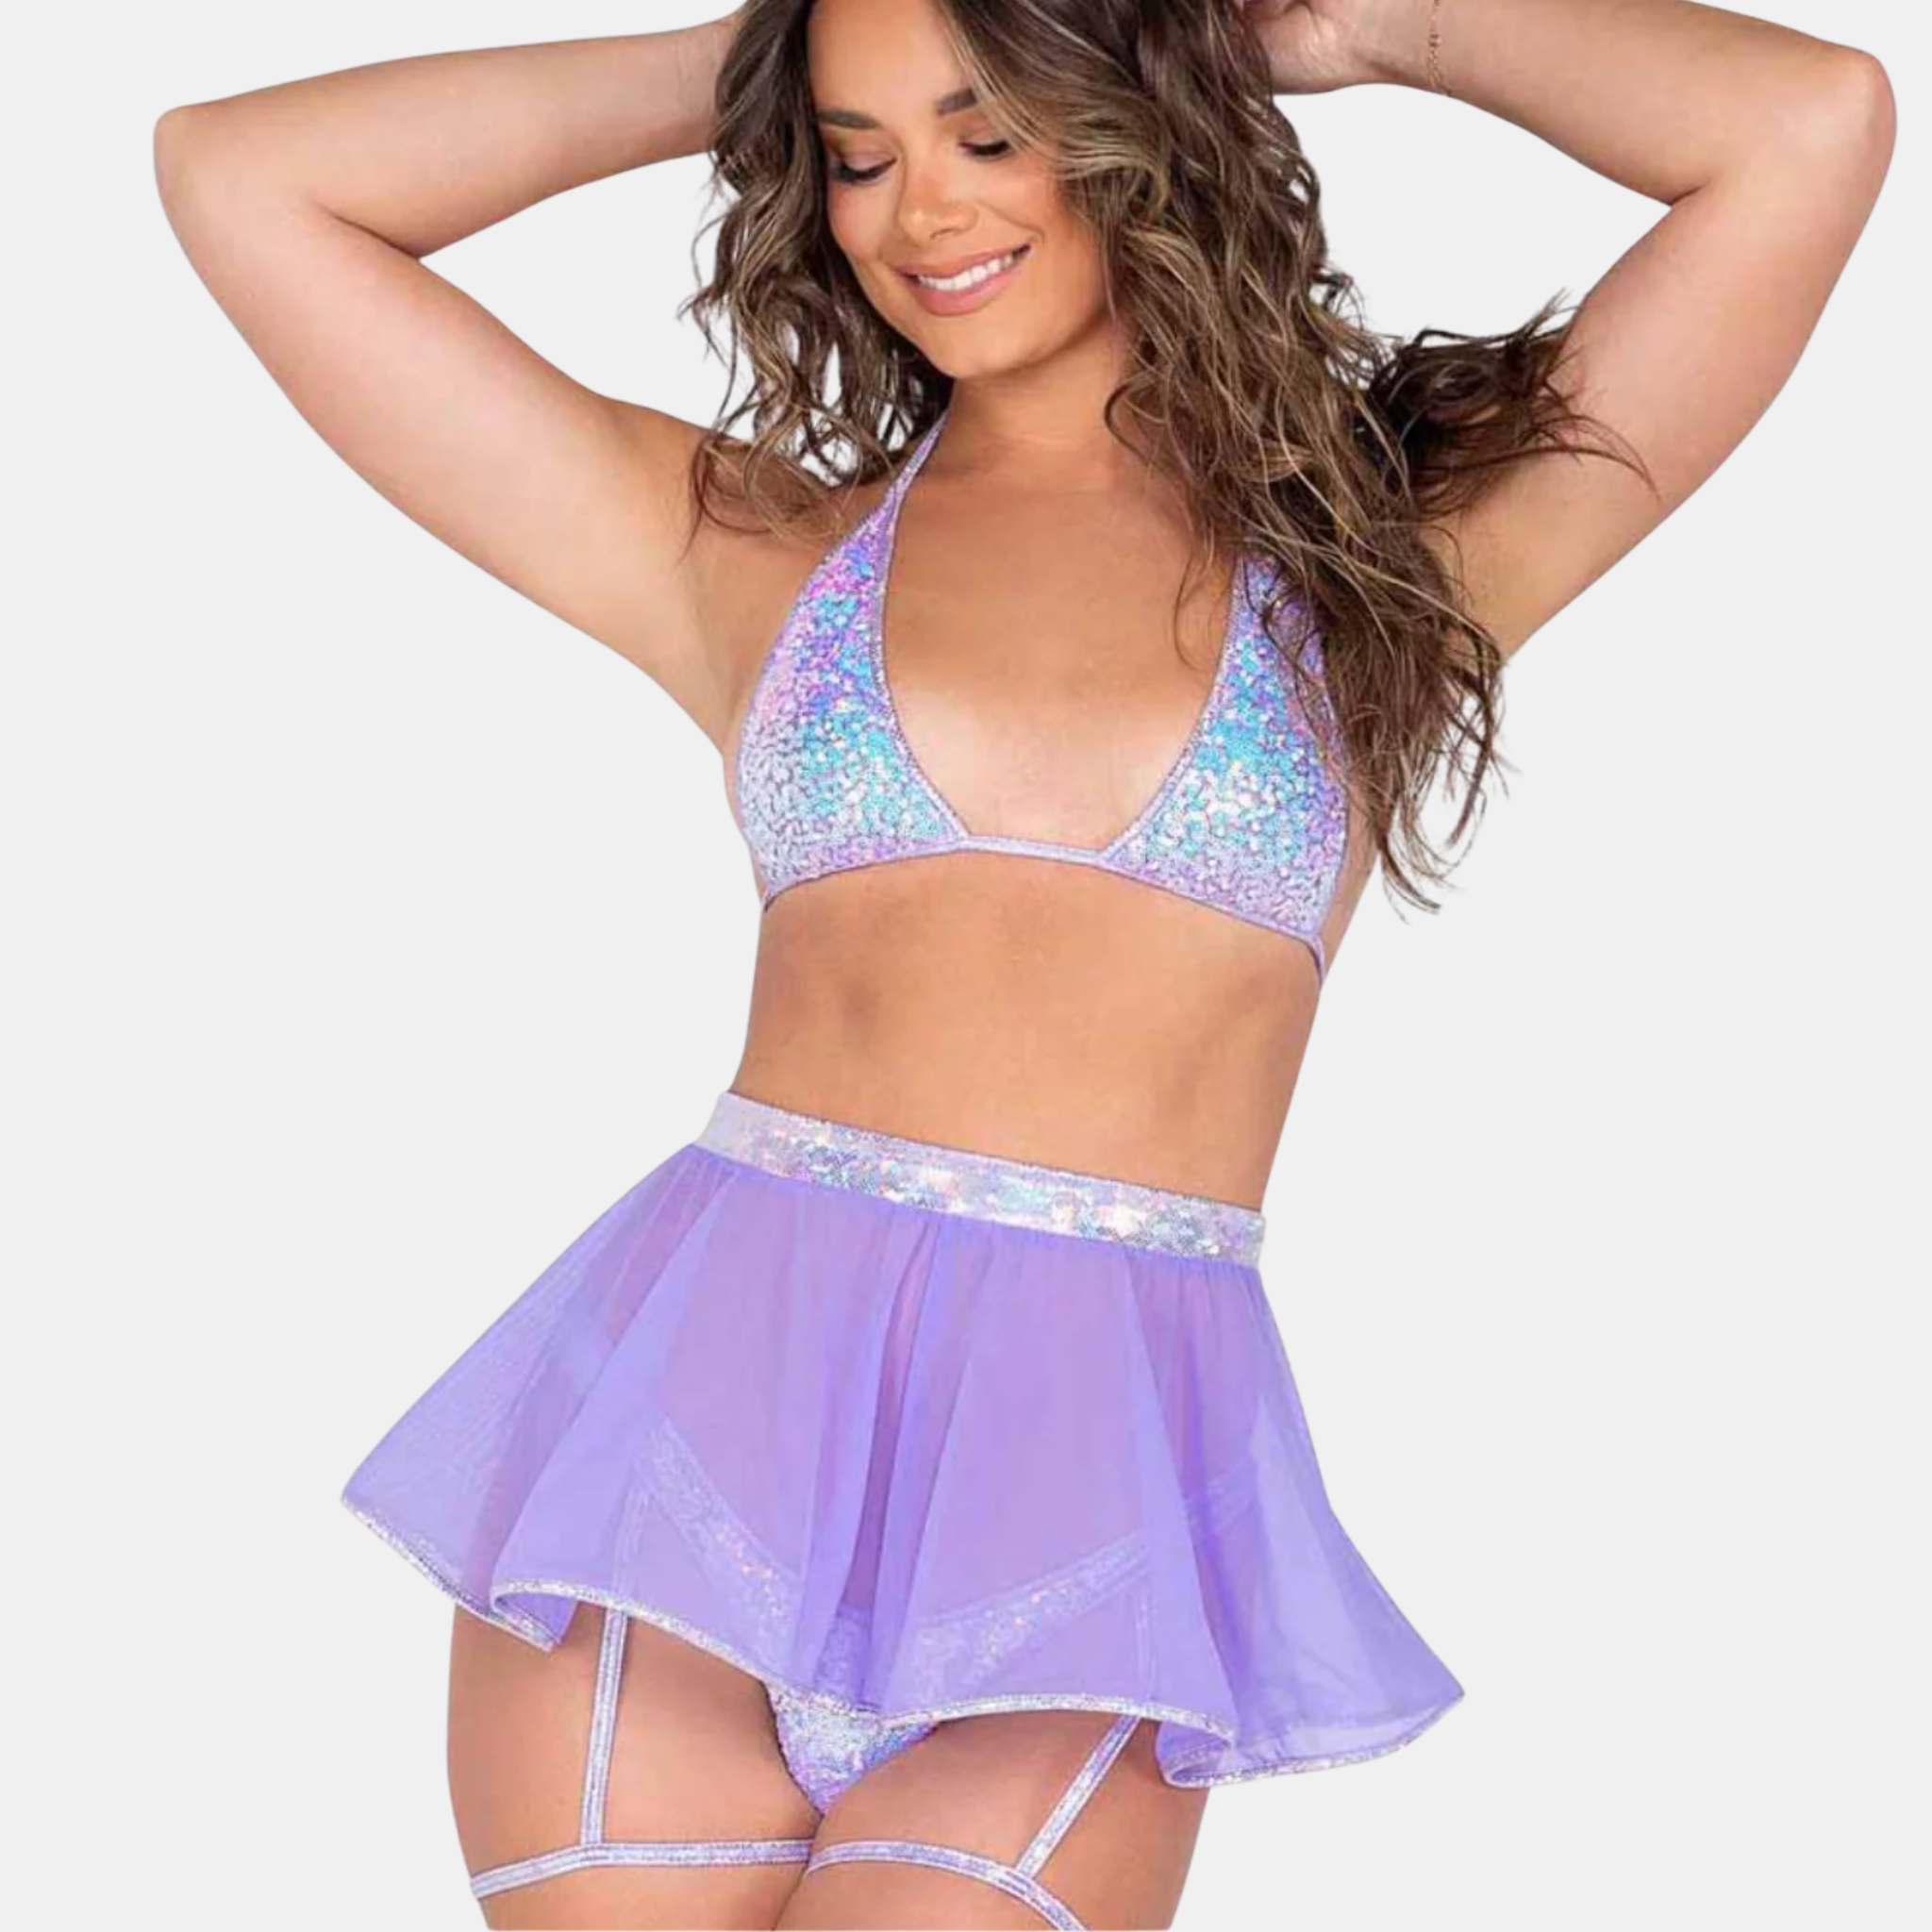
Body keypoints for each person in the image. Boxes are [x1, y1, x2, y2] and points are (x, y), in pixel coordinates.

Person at [154, 0, 1892, 1925]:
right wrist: (778, 48)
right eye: (861, 153)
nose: (919, 211)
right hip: (679, 1483)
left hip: (1089, 1545)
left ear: (1134, 119)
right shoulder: (748, 554)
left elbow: (1808, 128)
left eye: (990, 131)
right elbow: (245, 178)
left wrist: (1334, 29)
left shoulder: (1399, 577)